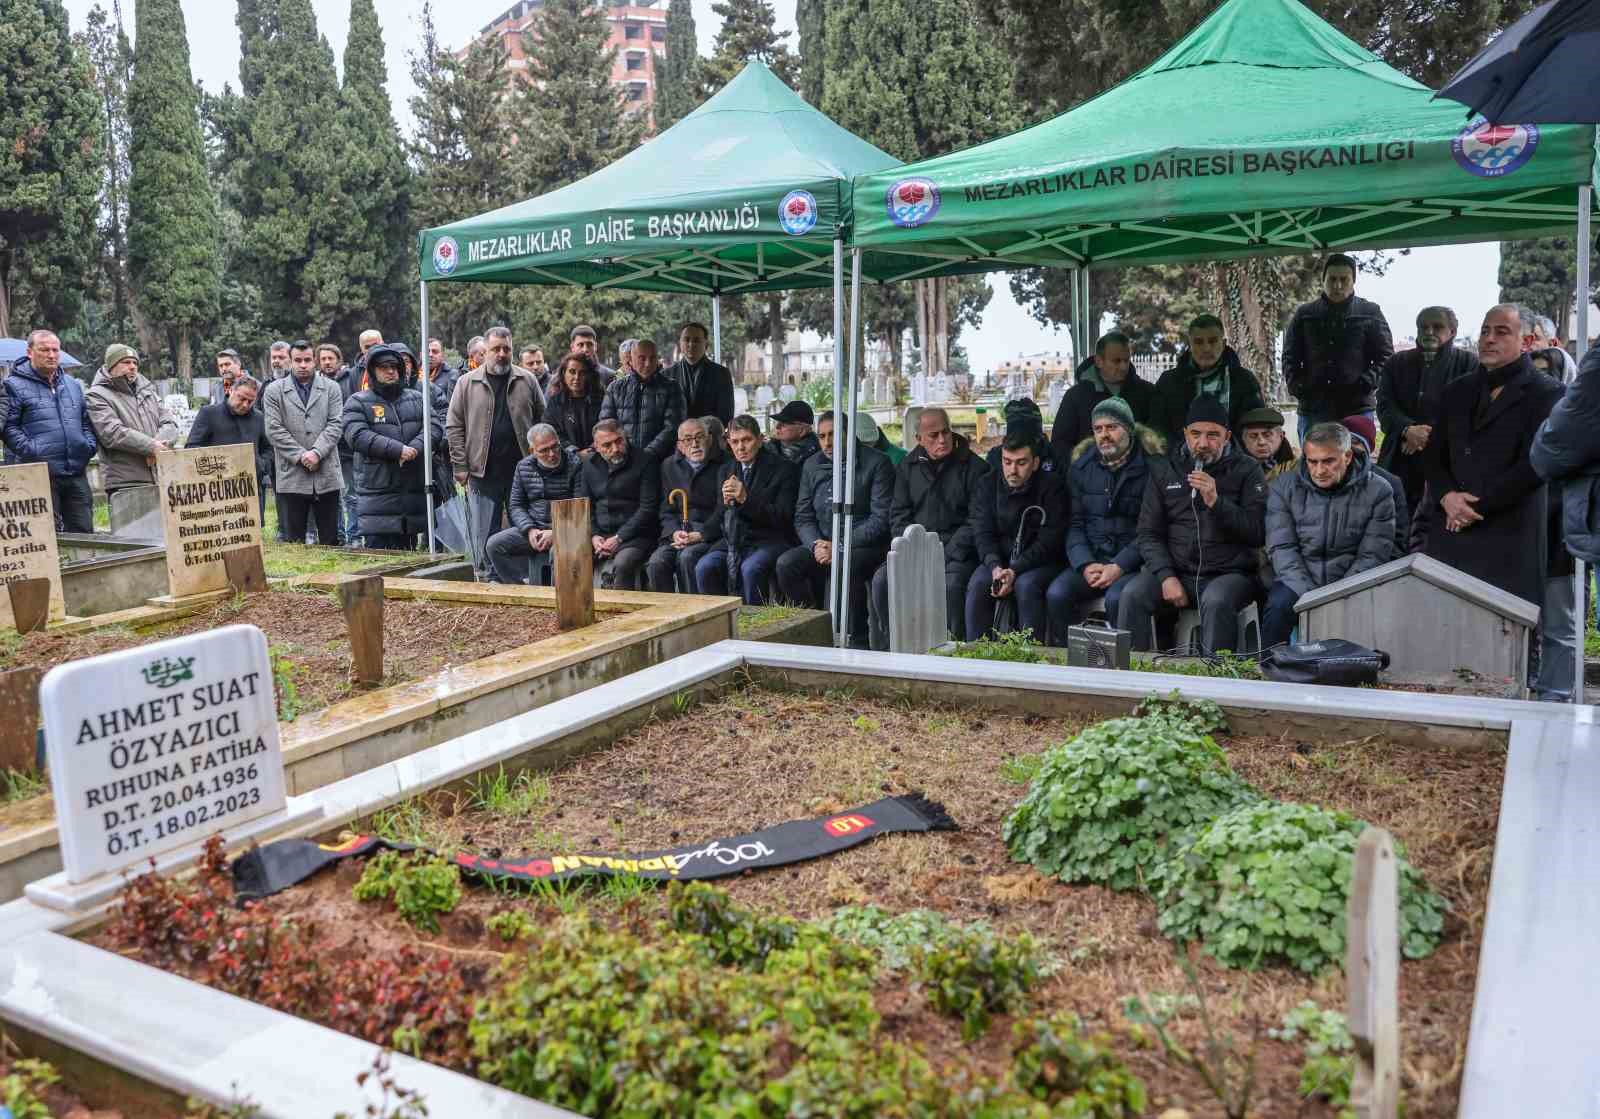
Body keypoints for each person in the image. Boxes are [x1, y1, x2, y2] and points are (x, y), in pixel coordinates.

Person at [1425, 303, 1564, 646]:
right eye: (1485, 331)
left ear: (1527, 340)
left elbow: (1534, 466)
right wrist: (1446, 497)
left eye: (1501, 332)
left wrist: (1474, 508)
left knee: (1507, 647)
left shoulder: (1547, 393)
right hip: (1452, 534)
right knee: (1447, 639)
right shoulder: (1456, 390)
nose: (1488, 339)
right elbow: (1433, 453)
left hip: (1509, 537)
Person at [1121, 396, 1267, 654]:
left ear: (1227, 436)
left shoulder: (1247, 469)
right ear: (1185, 434)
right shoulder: (1167, 468)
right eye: (1196, 434)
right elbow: (1148, 533)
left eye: (1213, 435)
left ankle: (1213, 681)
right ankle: (1135, 678)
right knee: (1133, 593)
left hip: (1229, 573)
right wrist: (1166, 576)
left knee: (1217, 600)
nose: (1203, 443)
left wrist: (1217, 502)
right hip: (1177, 571)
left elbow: (1257, 533)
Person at [1262, 422, 1396, 649]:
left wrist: (1337, 595)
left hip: (1353, 582)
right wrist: (1310, 596)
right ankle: (1268, 672)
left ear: (1348, 456)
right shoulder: (1283, 487)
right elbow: (1282, 547)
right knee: (1277, 608)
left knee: (1370, 618)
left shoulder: (1379, 491)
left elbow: (1372, 555)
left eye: (1328, 461)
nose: (1319, 470)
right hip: (1297, 580)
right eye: (1312, 461)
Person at [869, 407, 989, 649]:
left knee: (950, 587)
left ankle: (954, 650)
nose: (942, 440)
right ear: (919, 439)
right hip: (915, 548)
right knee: (882, 580)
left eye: (945, 432)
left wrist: (944, 552)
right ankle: (892, 646)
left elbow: (976, 519)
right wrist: (912, 549)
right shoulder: (907, 466)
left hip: (957, 552)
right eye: (933, 435)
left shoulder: (975, 468)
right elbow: (899, 515)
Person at [1045, 396, 1159, 641]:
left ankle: (1124, 671)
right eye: (1098, 429)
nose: (1104, 435)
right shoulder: (1081, 468)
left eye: (1111, 427)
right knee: (1057, 594)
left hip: (1133, 564)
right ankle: (1068, 667)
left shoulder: (1152, 468)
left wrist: (1119, 566)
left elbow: (1152, 529)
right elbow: (1074, 524)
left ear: (1128, 429)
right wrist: (1085, 564)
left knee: (1118, 599)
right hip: (1093, 561)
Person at [776, 412, 894, 646]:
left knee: (846, 564)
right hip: (822, 543)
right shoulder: (812, 465)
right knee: (786, 565)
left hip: (863, 544)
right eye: (821, 436)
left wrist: (840, 545)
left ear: (849, 435)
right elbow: (803, 516)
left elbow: (881, 519)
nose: (827, 443)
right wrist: (816, 544)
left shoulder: (877, 463)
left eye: (833, 435)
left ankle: (858, 640)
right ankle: (812, 628)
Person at [1532, 343, 1600, 700]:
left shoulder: (1574, 414)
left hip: (1562, 538)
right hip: (1531, 537)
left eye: (1548, 372)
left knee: (1561, 623)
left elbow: (1552, 455)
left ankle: (1556, 695)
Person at [446, 327, 546, 567]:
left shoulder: (527, 380)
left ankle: (522, 575)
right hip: (482, 471)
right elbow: (454, 426)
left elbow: (543, 420)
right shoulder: (466, 383)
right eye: (496, 349)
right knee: (484, 530)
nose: (501, 354)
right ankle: (487, 575)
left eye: (506, 349)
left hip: (522, 471)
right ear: (485, 351)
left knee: (524, 527)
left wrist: (540, 459)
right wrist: (460, 464)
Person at [1375, 305, 1478, 538]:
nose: (1429, 331)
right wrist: (1406, 429)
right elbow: (1384, 406)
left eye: (1437, 326)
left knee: (1436, 531)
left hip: (1448, 463)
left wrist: (1425, 437)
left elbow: (1467, 412)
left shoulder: (1469, 364)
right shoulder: (1396, 363)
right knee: (1394, 524)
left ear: (1452, 331)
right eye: (1424, 326)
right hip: (1400, 458)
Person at [965, 430, 1068, 641]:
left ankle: (1029, 656)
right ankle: (975, 655)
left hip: (1040, 562)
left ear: (1036, 463)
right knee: (978, 584)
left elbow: (1050, 540)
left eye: (1021, 463)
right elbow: (982, 533)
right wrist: (995, 567)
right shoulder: (987, 484)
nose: (1013, 470)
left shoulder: (1052, 487)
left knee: (1026, 585)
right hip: (999, 561)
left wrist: (1015, 570)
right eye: (1007, 462)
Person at [340, 345, 441, 550]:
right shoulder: (357, 401)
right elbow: (357, 435)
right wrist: (398, 450)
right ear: (372, 371)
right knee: (380, 563)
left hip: (411, 497)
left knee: (410, 560)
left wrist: (414, 448)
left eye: (395, 366)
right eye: (383, 367)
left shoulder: (417, 398)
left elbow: (435, 427)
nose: (390, 371)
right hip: (377, 495)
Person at [1283, 253, 1394, 436]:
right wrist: (1298, 385)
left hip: (1357, 407)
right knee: (1314, 461)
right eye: (1332, 279)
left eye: (1344, 279)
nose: (1338, 285)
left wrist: (1366, 382)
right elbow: (1290, 355)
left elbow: (1386, 356)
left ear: (1353, 281)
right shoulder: (1305, 314)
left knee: (1357, 461)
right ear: (1323, 279)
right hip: (1313, 408)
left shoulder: (1370, 312)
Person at [2, 330, 97, 532]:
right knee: (44, 536)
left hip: (75, 471)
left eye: (55, 350)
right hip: (39, 474)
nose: (51, 355)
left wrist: (87, 446)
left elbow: (84, 421)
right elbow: (9, 427)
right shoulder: (13, 385)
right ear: (30, 352)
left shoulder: (72, 385)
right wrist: (33, 451)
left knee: (85, 535)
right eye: (44, 350)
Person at [702, 415, 798, 603]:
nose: (740, 447)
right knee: (704, 567)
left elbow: (783, 517)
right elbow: (721, 513)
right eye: (735, 442)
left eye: (747, 440)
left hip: (770, 538)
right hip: (735, 539)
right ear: (728, 442)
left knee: (751, 568)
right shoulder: (726, 469)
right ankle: (720, 623)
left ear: (760, 440)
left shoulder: (784, 469)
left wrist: (745, 499)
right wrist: (700, 534)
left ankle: (754, 628)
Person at [263, 340, 346, 546]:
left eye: (307, 360)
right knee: (294, 541)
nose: (302, 365)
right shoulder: (274, 391)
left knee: (330, 539)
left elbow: (336, 424)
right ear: (290, 362)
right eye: (297, 360)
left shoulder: (331, 388)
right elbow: (274, 429)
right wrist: (302, 455)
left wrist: (317, 452)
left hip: (326, 471)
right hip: (292, 473)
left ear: (315, 362)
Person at [485, 423, 583, 585]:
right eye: (544, 450)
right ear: (532, 451)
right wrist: (529, 529)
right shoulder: (523, 467)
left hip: (566, 529)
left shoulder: (575, 465)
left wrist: (556, 532)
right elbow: (516, 505)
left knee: (557, 552)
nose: (552, 454)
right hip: (534, 527)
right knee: (494, 545)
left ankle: (557, 598)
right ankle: (520, 591)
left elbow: (580, 507)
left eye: (555, 447)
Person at [1149, 314, 1266, 445]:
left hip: (1233, 461)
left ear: (1223, 343)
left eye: (1213, 341)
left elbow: (1256, 427)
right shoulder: (1169, 382)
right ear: (1190, 344)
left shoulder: (1244, 381)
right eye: (1199, 342)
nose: (1206, 348)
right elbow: (1157, 429)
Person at [84, 344, 178, 495]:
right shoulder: (96, 395)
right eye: (126, 362)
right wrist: (151, 447)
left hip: (160, 475)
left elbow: (169, 422)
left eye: (135, 362)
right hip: (126, 481)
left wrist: (158, 447)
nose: (132, 366)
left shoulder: (148, 390)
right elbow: (112, 432)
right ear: (111, 365)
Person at [646, 418, 726, 593]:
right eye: (688, 439)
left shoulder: (724, 464)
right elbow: (666, 510)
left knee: (688, 557)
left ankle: (695, 612)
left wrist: (702, 534)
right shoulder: (669, 466)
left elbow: (723, 509)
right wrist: (674, 532)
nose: (695, 444)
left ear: (710, 439)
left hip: (710, 534)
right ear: (680, 446)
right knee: (657, 562)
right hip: (680, 534)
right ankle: (667, 615)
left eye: (700, 437)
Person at [581, 419, 659, 590]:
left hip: (636, 536)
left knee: (623, 564)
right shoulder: (588, 465)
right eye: (607, 445)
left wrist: (619, 538)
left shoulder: (645, 461)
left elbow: (648, 509)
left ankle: (622, 614)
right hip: (600, 535)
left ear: (625, 438)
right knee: (569, 556)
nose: (615, 449)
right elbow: (585, 506)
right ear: (596, 446)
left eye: (619, 441)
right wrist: (593, 536)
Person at [1049, 332, 1155, 455]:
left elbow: (1156, 439)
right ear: (1099, 361)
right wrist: (1082, 469)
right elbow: (1060, 444)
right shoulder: (1076, 396)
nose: (1123, 367)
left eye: (1126, 360)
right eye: (1116, 361)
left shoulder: (1147, 393)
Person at [186, 375, 272, 526]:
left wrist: (260, 465)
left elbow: (269, 450)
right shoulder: (209, 413)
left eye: (250, 401)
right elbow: (192, 448)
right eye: (241, 398)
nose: (245, 405)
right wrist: (218, 464)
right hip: (217, 492)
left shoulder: (259, 418)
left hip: (250, 490)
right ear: (230, 390)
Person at [599, 338, 684, 461]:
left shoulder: (671, 387)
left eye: (652, 358)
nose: (648, 363)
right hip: (622, 459)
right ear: (631, 360)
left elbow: (673, 427)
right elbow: (606, 425)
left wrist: (648, 454)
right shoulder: (615, 388)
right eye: (642, 358)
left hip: (659, 460)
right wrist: (623, 451)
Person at [1340, 413, 1409, 558]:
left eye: (1354, 441)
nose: (1348, 449)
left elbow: (1398, 543)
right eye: (1341, 441)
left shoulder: (1390, 484)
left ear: (1368, 448)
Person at [320, 342, 359, 546]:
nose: (327, 362)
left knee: (351, 495)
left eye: (330, 358)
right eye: (323, 359)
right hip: (325, 449)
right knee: (331, 496)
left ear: (339, 360)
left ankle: (354, 536)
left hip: (347, 449)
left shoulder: (350, 379)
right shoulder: (317, 384)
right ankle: (337, 535)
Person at [666, 322, 734, 423]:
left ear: (706, 344)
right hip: (676, 437)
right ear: (680, 343)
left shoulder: (721, 374)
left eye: (696, 340)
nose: (691, 344)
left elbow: (726, 414)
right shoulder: (667, 375)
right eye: (686, 339)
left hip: (710, 435)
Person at [545, 351, 604, 456]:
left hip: (599, 456)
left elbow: (607, 426)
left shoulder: (601, 400)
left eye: (582, 373)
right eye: (572, 371)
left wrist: (592, 449)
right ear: (564, 373)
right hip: (567, 460)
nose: (577, 377)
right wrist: (574, 452)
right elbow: (552, 432)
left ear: (589, 375)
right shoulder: (555, 402)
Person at [1237, 406, 1297, 483]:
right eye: (1253, 436)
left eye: (1267, 435)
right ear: (1243, 439)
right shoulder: (1234, 466)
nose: (1261, 442)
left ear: (1281, 436)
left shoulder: (1297, 465)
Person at [770, 400, 820, 465]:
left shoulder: (818, 456)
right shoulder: (770, 448)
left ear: (802, 431)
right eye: (778, 422)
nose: (777, 427)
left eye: (784, 424)